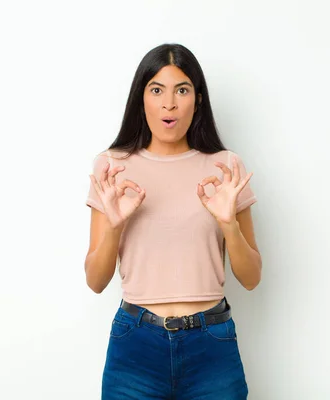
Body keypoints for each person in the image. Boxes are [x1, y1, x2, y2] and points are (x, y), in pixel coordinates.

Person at [85, 43, 261, 400]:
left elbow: (252, 277)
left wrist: (229, 224)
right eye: (156, 90)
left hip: (211, 346)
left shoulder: (225, 167)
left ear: (197, 100)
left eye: (181, 90)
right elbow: (95, 280)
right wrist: (116, 226)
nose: (169, 104)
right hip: (135, 346)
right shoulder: (112, 167)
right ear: (141, 99)